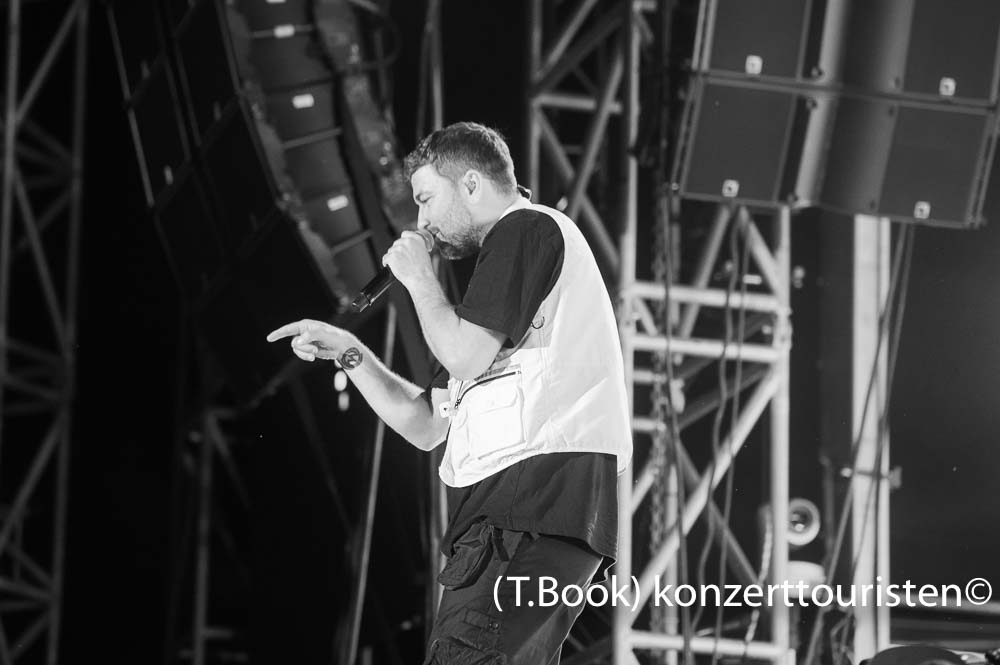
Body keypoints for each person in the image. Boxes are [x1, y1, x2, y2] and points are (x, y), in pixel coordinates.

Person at [266, 122, 632, 664]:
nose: (421, 223)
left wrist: (419, 277)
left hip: (526, 510)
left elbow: (463, 355)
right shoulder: (499, 292)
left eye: (425, 199)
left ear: (471, 184)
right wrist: (349, 352)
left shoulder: (525, 228)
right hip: (517, 522)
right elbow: (425, 424)